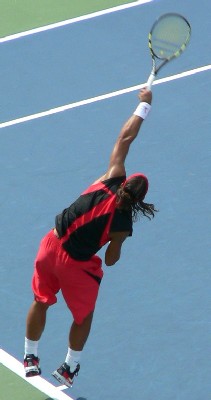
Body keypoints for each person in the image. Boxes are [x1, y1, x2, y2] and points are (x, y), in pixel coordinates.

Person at [24, 87, 157, 387]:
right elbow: (110, 260)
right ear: (138, 201)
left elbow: (125, 138)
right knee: (83, 316)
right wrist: (117, 241)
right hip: (76, 266)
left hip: (50, 245)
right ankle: (69, 368)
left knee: (41, 301)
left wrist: (144, 106)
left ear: (126, 180)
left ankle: (30, 357)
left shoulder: (111, 174)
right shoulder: (121, 223)